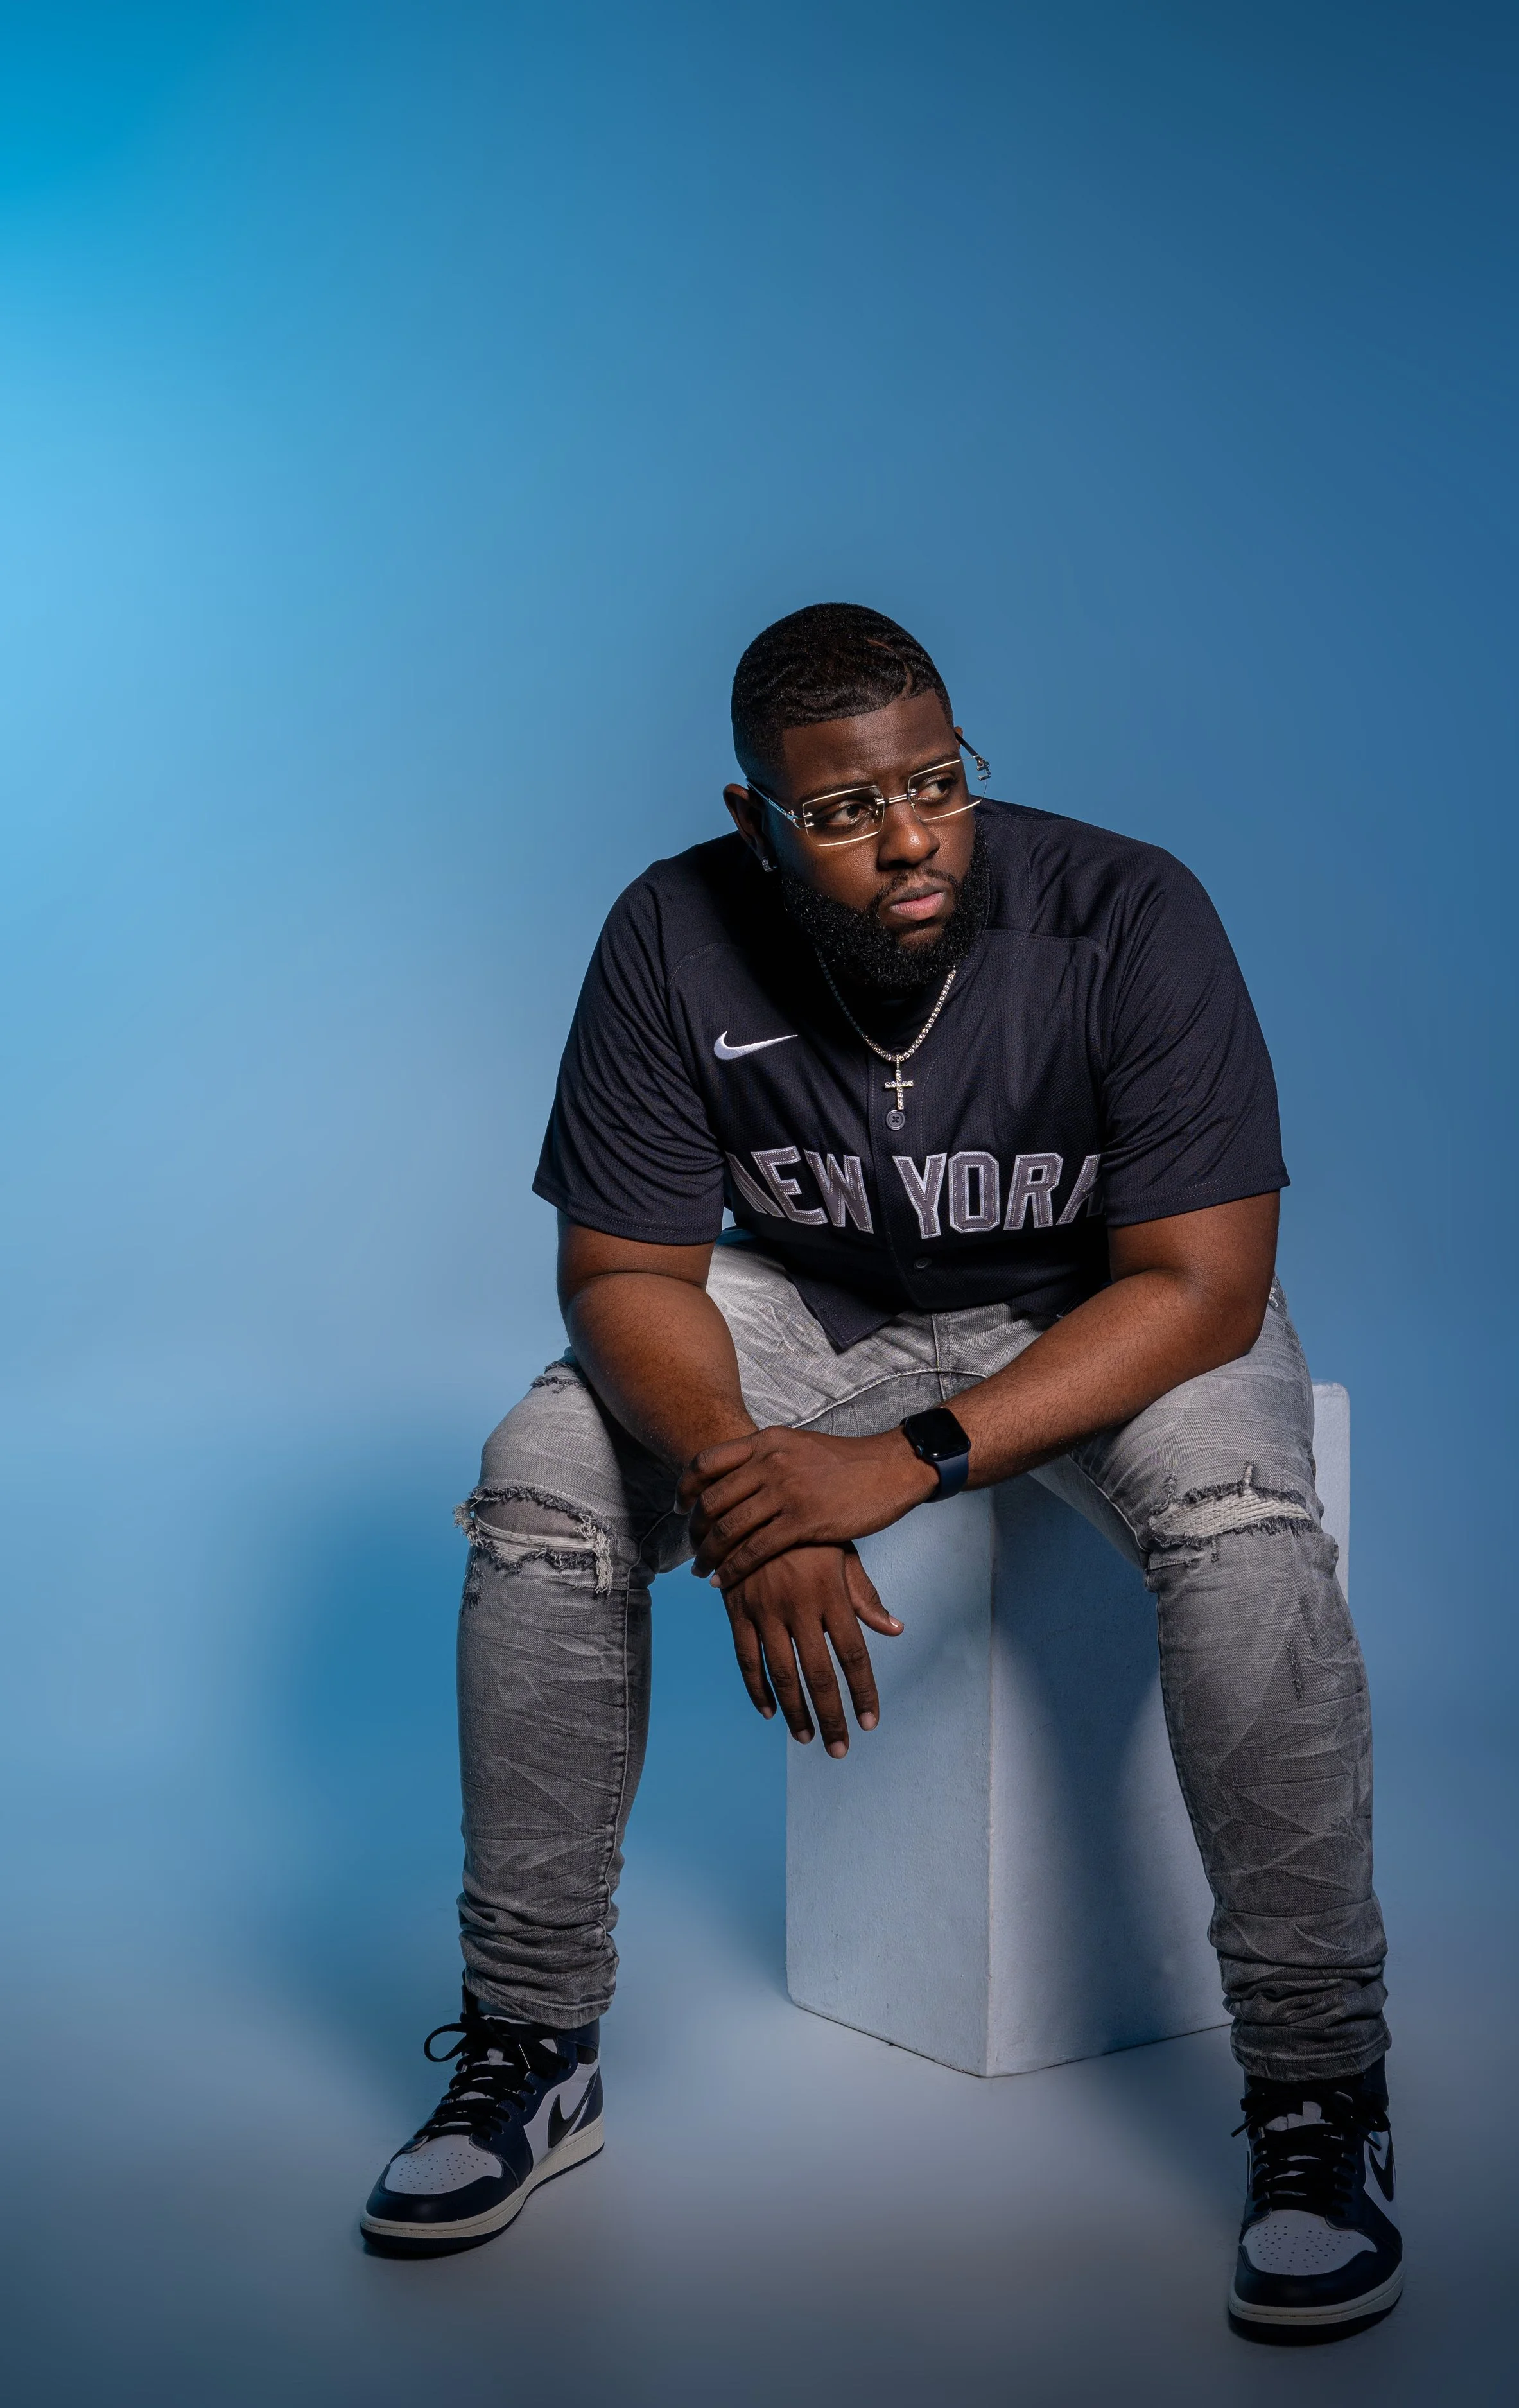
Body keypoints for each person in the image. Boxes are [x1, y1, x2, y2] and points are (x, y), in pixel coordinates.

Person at [360, 603, 1400, 2339]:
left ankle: (1320, 2094)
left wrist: (896, 1465)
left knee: (1244, 1528)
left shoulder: (1124, 913)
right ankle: (533, 2046)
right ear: (756, 815)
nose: (907, 834)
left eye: (934, 782)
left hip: (1099, 1308)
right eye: (842, 809)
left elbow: (1204, 1283)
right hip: (809, 1313)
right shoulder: (669, 928)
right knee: (540, 1471)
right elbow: (624, 1272)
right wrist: (741, 1475)